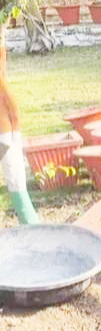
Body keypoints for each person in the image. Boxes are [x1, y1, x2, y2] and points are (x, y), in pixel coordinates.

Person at [0, 67, 39, 224]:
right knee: (14, 176)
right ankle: (29, 222)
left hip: (5, 134)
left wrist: (15, 123)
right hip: (6, 133)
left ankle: (30, 223)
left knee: (15, 176)